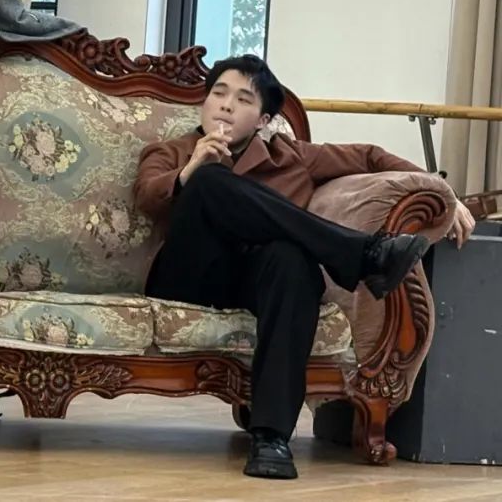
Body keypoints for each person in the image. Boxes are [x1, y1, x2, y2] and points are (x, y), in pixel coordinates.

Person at [133, 54, 475, 481]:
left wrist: (444, 193)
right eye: (218, 94)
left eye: (242, 99)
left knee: (292, 261)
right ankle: (361, 254)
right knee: (208, 181)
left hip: (255, 283)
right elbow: (146, 195)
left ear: (263, 120)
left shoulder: (289, 156)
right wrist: (190, 170)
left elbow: (370, 157)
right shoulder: (173, 150)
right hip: (189, 275)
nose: (226, 105)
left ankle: (271, 438)